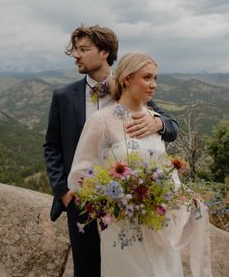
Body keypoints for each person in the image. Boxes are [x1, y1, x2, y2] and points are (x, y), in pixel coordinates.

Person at [44, 26, 179, 277]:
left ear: (105, 52)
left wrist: (160, 123)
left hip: (125, 209)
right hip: (82, 203)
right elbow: (51, 146)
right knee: (87, 269)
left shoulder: (133, 87)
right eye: (76, 49)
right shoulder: (62, 96)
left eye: (84, 49)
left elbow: (171, 125)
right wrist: (63, 191)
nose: (76, 55)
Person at [68, 52, 212, 277]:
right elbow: (79, 175)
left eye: (155, 78)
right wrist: (115, 199)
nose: (153, 85)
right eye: (147, 78)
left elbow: (164, 170)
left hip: (157, 226)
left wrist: (182, 196)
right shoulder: (101, 121)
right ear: (127, 79)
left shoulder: (154, 119)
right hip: (121, 229)